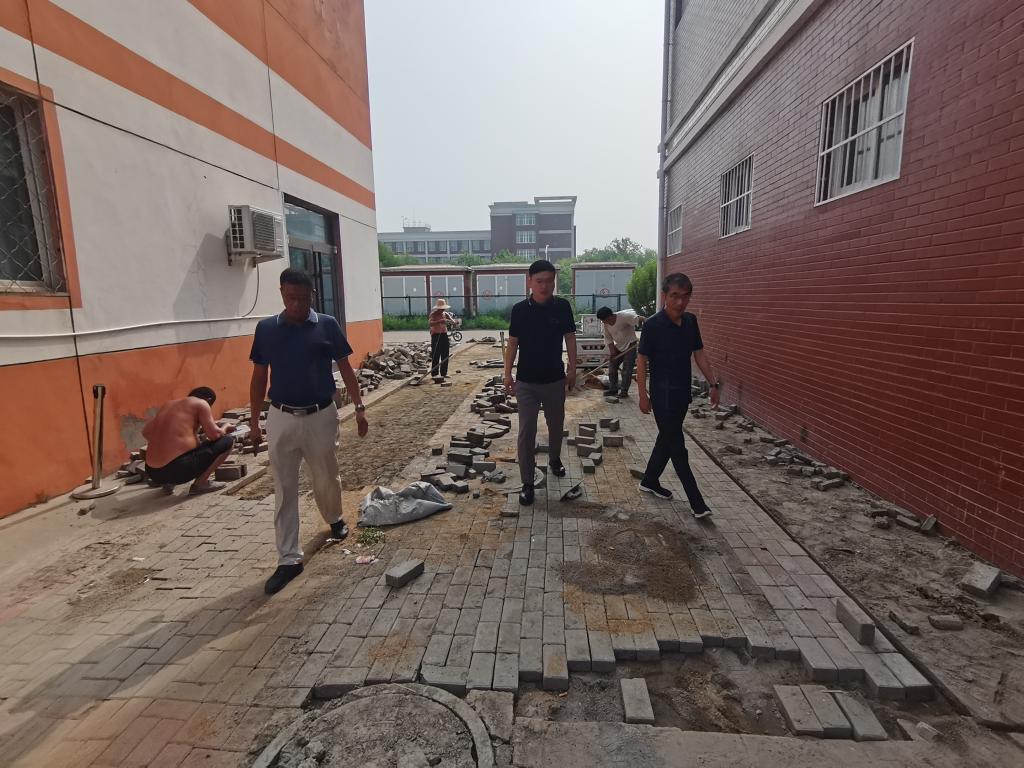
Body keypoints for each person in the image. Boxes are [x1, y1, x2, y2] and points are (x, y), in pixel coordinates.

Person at [249, 268, 369, 595]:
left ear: (312, 295)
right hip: (281, 417)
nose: (298, 305)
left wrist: (359, 408)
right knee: (284, 488)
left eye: (303, 299)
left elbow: (346, 368)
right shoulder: (266, 330)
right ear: (281, 294)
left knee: (326, 476)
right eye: (291, 298)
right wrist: (254, 423)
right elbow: (259, 377)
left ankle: (334, 517)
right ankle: (289, 559)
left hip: (320, 416)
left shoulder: (327, 325)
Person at [636, 273, 720, 519]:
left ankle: (649, 480)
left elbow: (699, 353)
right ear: (665, 296)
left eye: (685, 297)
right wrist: (642, 395)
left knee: (667, 439)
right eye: (675, 296)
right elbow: (641, 361)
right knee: (678, 447)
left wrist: (713, 383)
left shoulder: (691, 321)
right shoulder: (653, 325)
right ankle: (697, 503)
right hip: (662, 395)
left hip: (682, 392)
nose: (680, 302)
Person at [504, 259, 577, 506]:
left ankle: (554, 459)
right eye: (539, 281)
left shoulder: (562, 307)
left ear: (554, 282)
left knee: (556, 426)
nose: (544, 286)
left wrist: (573, 368)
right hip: (526, 382)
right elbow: (512, 343)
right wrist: (507, 373)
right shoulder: (520, 310)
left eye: (549, 281)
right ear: (530, 282)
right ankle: (527, 483)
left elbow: (570, 338)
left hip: (555, 380)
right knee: (526, 431)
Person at [142, 386, 235, 494]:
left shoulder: (168, 405)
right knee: (227, 441)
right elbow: (215, 435)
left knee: (191, 448)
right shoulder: (201, 403)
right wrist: (226, 426)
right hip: (178, 471)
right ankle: (201, 484)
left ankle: (168, 484)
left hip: (153, 473)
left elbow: (146, 432)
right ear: (208, 400)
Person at [596, 306, 645, 398]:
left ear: (610, 316)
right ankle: (613, 389)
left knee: (626, 370)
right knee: (612, 367)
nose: (603, 322)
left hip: (631, 345)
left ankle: (624, 391)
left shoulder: (624, 316)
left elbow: (640, 319)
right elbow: (608, 338)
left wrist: (649, 325)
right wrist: (612, 352)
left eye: (604, 320)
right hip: (619, 346)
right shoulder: (605, 324)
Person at [428, 298, 454, 380]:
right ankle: (435, 373)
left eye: (443, 308)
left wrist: (452, 322)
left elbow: (452, 321)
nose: (442, 310)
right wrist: (440, 321)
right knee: (436, 354)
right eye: (441, 308)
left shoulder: (445, 314)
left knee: (445, 354)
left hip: (444, 335)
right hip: (436, 335)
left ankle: (444, 373)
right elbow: (430, 323)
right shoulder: (433, 314)